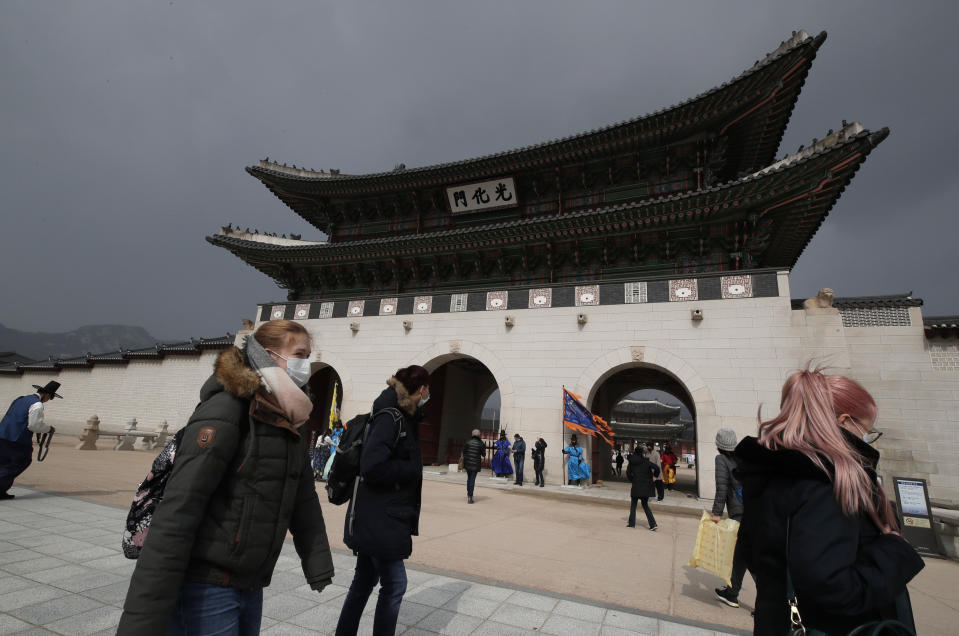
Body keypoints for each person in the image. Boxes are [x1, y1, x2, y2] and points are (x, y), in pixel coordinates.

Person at [118, 320, 335, 635]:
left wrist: (317, 565)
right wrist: (142, 620)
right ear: (268, 355)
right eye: (299, 354)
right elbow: (180, 510)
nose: (306, 364)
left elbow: (302, 499)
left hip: (250, 580)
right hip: (207, 580)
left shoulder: (288, 419)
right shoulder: (228, 410)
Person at [736, 370, 924, 634]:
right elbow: (833, 589)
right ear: (845, 421)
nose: (868, 439)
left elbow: (751, 552)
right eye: (868, 431)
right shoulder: (826, 482)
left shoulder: (770, 473)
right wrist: (894, 550)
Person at [336, 365, 428, 636]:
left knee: (363, 581)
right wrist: (411, 470)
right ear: (421, 389)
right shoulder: (391, 417)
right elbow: (372, 466)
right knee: (395, 584)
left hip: (379, 513)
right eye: (427, 389)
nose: (428, 394)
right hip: (381, 517)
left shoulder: (400, 415)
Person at [0, 381, 61, 500]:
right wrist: (48, 429)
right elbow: (34, 425)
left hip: (3, 434)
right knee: (20, 461)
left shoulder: (20, 399)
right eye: (51, 397)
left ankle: (2, 490)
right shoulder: (37, 405)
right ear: (47, 395)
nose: (49, 400)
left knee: (3, 462)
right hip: (17, 439)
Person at [711, 428, 749, 608]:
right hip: (751, 509)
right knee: (741, 554)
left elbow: (722, 488)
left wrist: (716, 513)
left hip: (739, 512)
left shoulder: (721, 460)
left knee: (750, 556)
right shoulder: (742, 459)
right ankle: (732, 593)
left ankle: (771, 603)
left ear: (719, 445)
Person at [625, 446, 659, 531]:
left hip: (636, 485)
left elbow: (628, 473)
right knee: (645, 505)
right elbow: (657, 468)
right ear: (642, 453)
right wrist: (655, 477)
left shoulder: (632, 462)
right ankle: (653, 524)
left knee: (633, 505)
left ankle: (632, 524)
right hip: (646, 486)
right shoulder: (646, 462)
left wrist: (632, 480)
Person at [462, 428, 484, 503]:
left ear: (472, 434)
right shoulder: (480, 443)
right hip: (475, 464)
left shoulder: (468, 441)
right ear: (479, 435)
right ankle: (470, 497)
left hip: (468, 463)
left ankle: (469, 494)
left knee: (469, 478)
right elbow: (484, 454)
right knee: (472, 480)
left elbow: (464, 451)